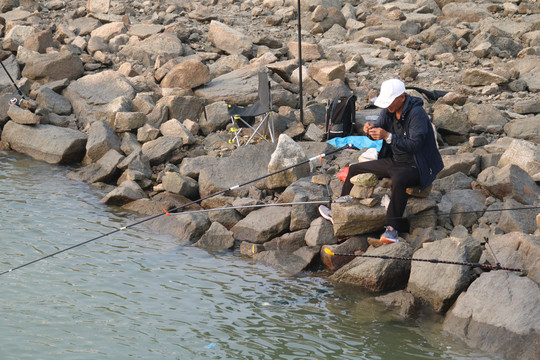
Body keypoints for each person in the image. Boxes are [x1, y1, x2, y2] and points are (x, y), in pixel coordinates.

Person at [319, 79, 444, 243]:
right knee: (355, 168)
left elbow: (416, 145)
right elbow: (379, 129)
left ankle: (392, 229)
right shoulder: (389, 110)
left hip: (417, 165)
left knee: (399, 179)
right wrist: (369, 130)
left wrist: (388, 136)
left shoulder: (417, 113)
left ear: (401, 97)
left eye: (390, 102)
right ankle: (338, 208)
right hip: (395, 160)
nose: (388, 106)